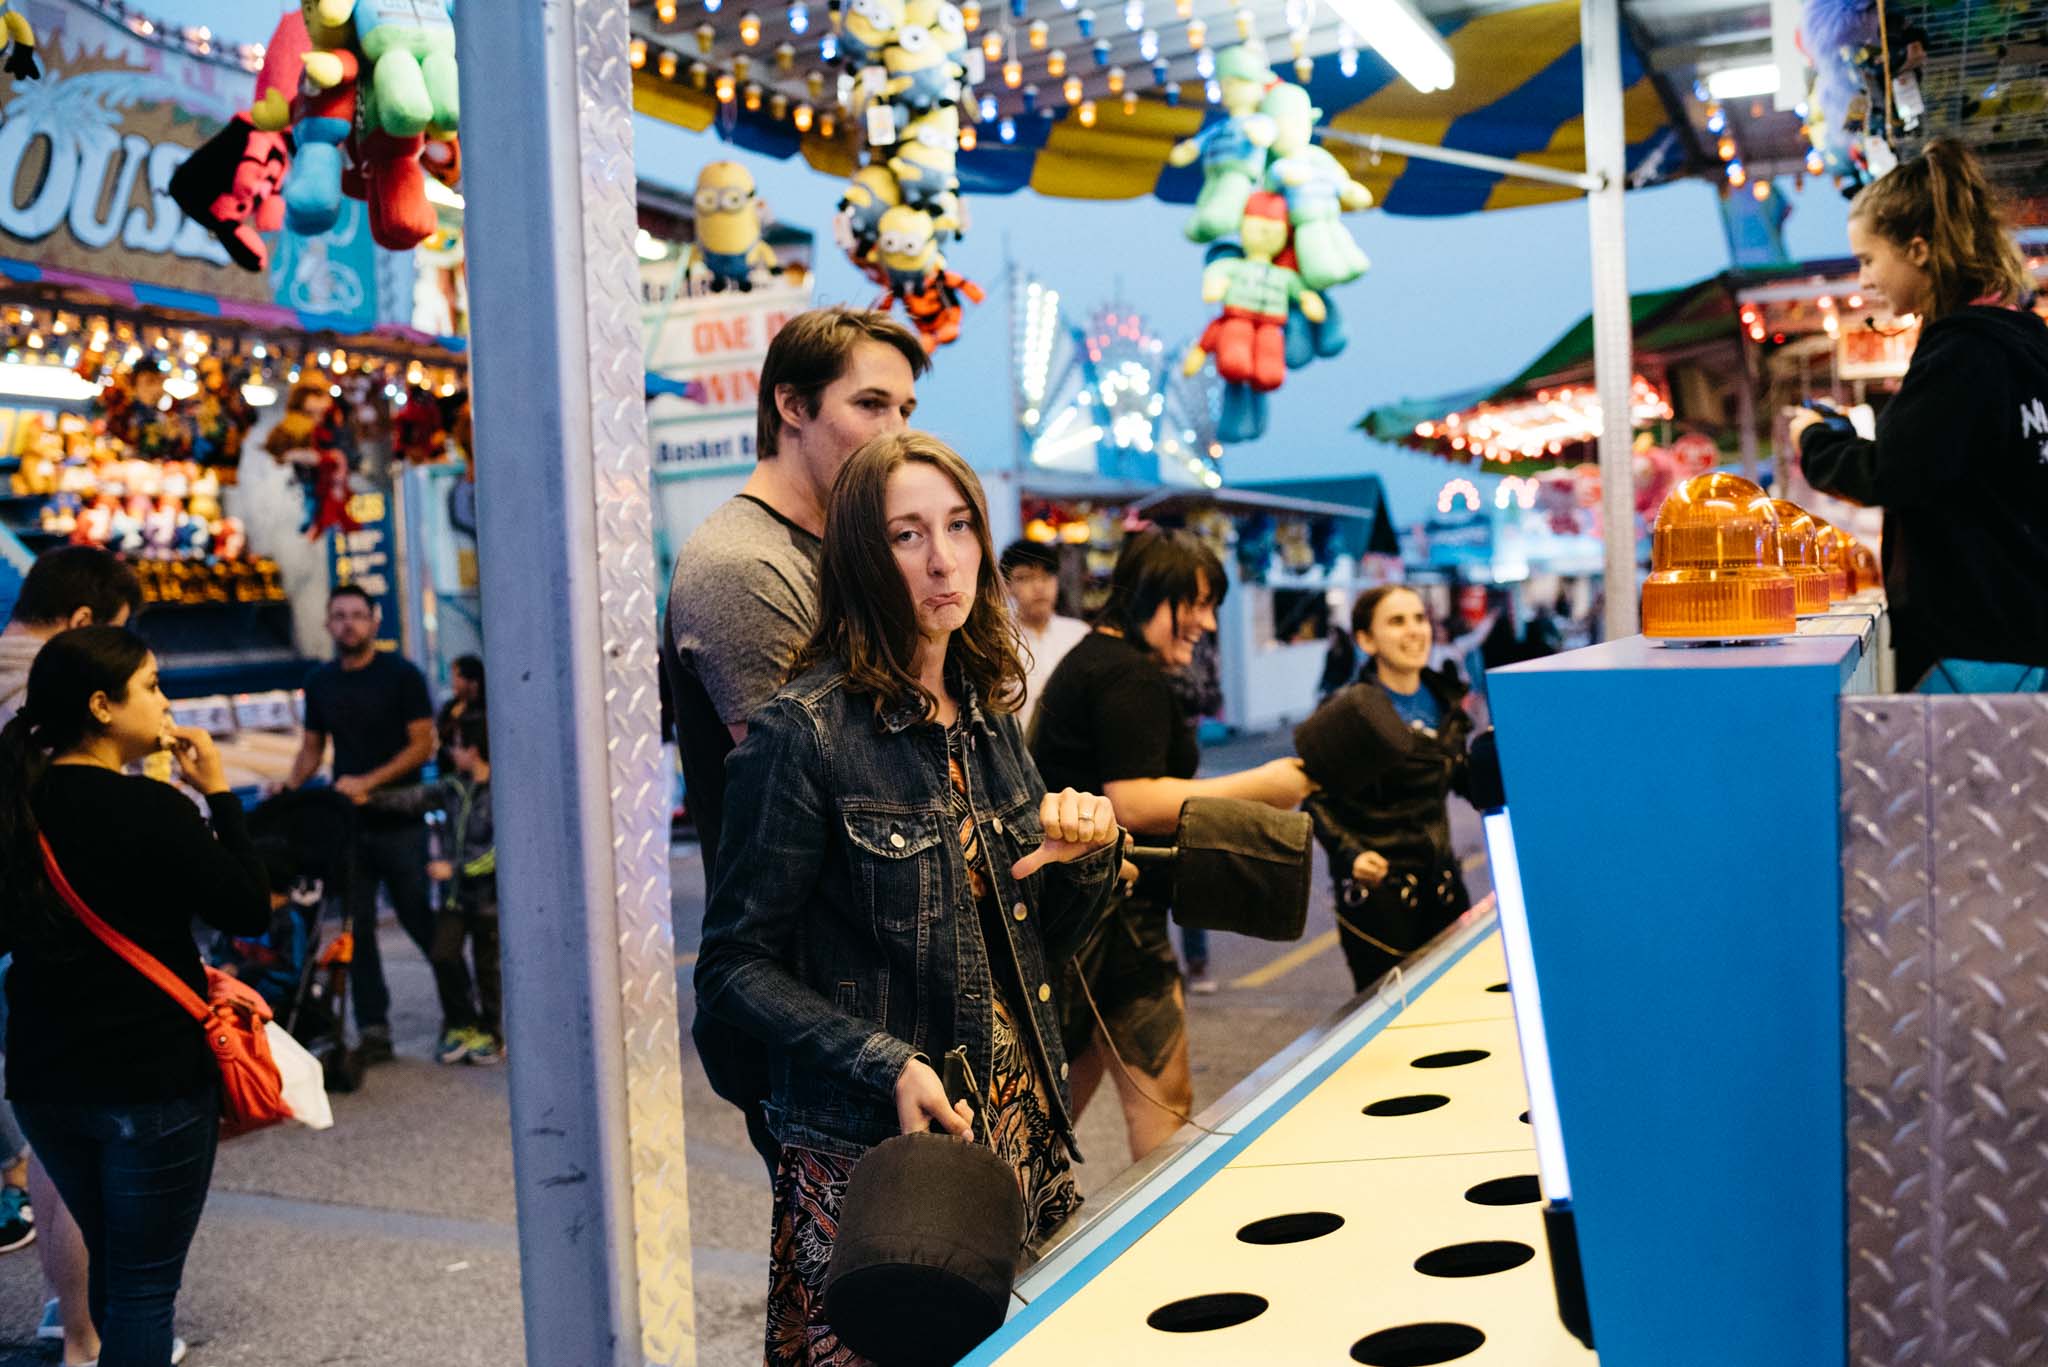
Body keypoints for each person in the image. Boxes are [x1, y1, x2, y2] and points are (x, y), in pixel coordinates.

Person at [696, 433, 1126, 1366]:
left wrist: (1081, 855)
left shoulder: (987, 711)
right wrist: (884, 1060)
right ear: (860, 556)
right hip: (877, 1152)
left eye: (960, 525)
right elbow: (732, 966)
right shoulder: (801, 732)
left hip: (1017, 1128)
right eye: (907, 534)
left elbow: (1041, 944)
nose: (943, 558)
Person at [665, 307, 926, 1173]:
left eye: (907, 411)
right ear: (793, 405)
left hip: (886, 977)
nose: (895, 433)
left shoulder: (846, 552)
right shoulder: (744, 565)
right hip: (814, 998)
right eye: (872, 404)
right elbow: (840, 788)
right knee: (856, 1286)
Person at [0, 627, 268, 1367]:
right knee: (146, 1287)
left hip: (45, 1080)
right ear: (101, 704)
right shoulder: (155, 808)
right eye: (151, 684)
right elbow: (249, 907)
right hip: (148, 1081)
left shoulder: (16, 805)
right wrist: (217, 791)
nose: (164, 700)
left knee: (119, 1269)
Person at [1031, 529, 1313, 1162]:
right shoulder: (1124, 672)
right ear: (1154, 595)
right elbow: (1128, 801)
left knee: (1047, 1123)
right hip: (1112, 920)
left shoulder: (1099, 660)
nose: (1208, 622)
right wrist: (1262, 787)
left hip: (1078, 919)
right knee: (1164, 1112)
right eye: (1198, 603)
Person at [1791, 138, 2048, 690]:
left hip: (1977, 645)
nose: (1862, 280)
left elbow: (1892, 472)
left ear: (1918, 249)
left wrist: (1816, 439)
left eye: (1867, 259)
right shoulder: (2024, 344)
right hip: (2024, 632)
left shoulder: (1961, 353)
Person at [0, 547, 141, 1360]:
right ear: (85, 624)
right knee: (74, 1134)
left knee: (38, 1119)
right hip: (52, 931)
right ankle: (80, 1326)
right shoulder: (58, 690)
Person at [285, 585, 439, 1063]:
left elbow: (423, 745)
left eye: (357, 615)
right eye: (339, 616)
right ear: (329, 624)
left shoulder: (402, 675)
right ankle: (375, 1029)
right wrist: (287, 788)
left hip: (399, 818)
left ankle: (466, 1008)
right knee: (359, 929)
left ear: (375, 622)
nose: (348, 623)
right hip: (349, 826)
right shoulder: (320, 681)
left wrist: (368, 781)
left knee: (418, 915)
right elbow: (312, 749)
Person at [1303, 585, 1476, 992]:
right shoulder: (1346, 711)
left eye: (1419, 618)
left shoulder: (1447, 702)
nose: (1414, 631)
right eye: (1397, 621)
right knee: (1396, 1022)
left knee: (1460, 1003)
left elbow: (1468, 783)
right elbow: (1314, 799)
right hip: (1380, 900)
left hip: (1445, 888)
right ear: (1366, 639)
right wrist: (1352, 854)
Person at [368, 709, 501, 1066]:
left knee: (490, 969)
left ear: (475, 749)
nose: (450, 752)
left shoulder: (501, 791)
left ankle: (493, 1032)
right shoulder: (451, 787)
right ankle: (462, 1024)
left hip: (488, 901)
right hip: (455, 899)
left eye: (456, 745)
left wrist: (456, 868)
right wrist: (370, 796)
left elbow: (499, 853)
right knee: (444, 955)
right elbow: (413, 798)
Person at [998, 538, 1087, 727]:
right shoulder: (998, 642)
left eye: (1046, 576)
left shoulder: (1080, 635)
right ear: (1007, 586)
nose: (1039, 587)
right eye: (1025, 578)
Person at [434, 653, 484, 777]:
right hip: (451, 776)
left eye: (457, 677)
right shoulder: (451, 707)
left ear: (473, 681)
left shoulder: (486, 710)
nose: (453, 683)